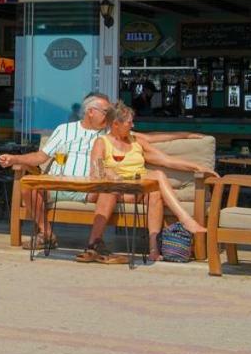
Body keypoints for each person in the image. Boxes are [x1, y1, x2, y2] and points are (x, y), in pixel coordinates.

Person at [0, 92, 205, 253]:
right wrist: (15, 159)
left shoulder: (110, 132)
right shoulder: (64, 130)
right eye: (106, 112)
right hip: (59, 185)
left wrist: (186, 134)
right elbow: (41, 157)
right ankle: (47, 234)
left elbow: (148, 139)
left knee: (110, 189)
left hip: (91, 189)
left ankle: (95, 242)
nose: (110, 115)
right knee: (28, 185)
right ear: (91, 112)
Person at [81, 102, 213, 263]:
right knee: (110, 191)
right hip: (114, 189)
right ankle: (93, 243)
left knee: (156, 190)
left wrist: (198, 166)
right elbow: (96, 171)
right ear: (116, 124)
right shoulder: (102, 142)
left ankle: (153, 250)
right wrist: (110, 173)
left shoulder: (136, 141)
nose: (133, 125)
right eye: (129, 122)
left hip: (137, 189)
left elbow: (166, 160)